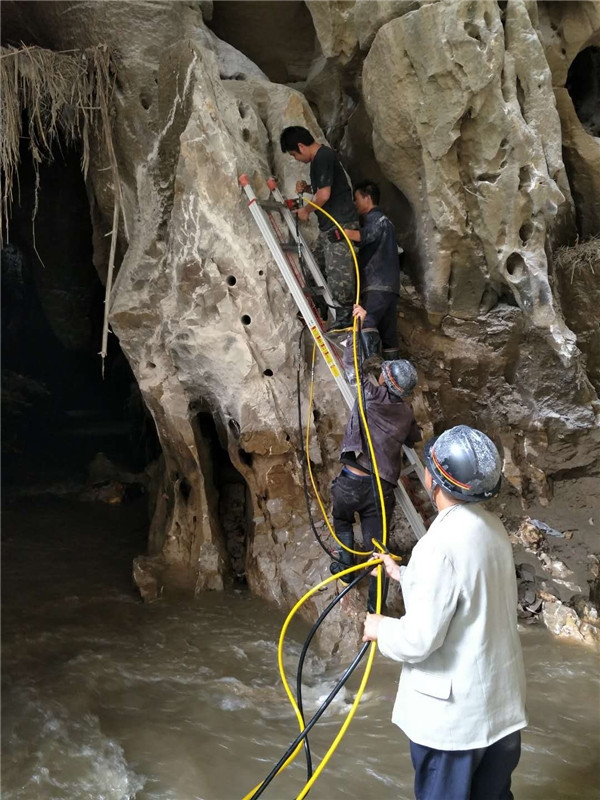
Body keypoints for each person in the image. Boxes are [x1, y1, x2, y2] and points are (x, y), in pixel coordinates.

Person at [363, 425, 527, 800]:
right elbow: (466, 589)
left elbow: (420, 640)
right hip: (499, 712)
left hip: (455, 727)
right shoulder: (491, 527)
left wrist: (380, 628)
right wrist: (401, 574)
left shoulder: (437, 544)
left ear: (431, 478)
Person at [330, 358, 422, 610]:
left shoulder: (371, 394)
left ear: (385, 380)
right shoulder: (405, 411)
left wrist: (355, 329)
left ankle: (346, 567)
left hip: (351, 482)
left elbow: (352, 367)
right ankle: (376, 611)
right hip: (381, 492)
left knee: (342, 520)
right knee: (379, 552)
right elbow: (415, 439)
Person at [279, 126, 358, 330]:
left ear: (301, 146)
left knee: (339, 274)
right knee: (315, 267)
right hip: (328, 227)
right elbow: (324, 188)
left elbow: (324, 195)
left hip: (340, 225)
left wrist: (306, 210)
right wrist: (307, 189)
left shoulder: (323, 156)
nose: (296, 159)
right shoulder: (319, 160)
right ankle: (320, 311)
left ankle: (345, 320)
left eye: (294, 154)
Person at [343, 181, 402, 361]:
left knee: (365, 321)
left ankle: (367, 363)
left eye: (357, 199)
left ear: (368, 198)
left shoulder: (377, 219)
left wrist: (341, 232)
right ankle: (394, 370)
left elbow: (365, 235)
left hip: (377, 285)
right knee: (388, 333)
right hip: (391, 288)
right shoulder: (389, 224)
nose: (355, 203)